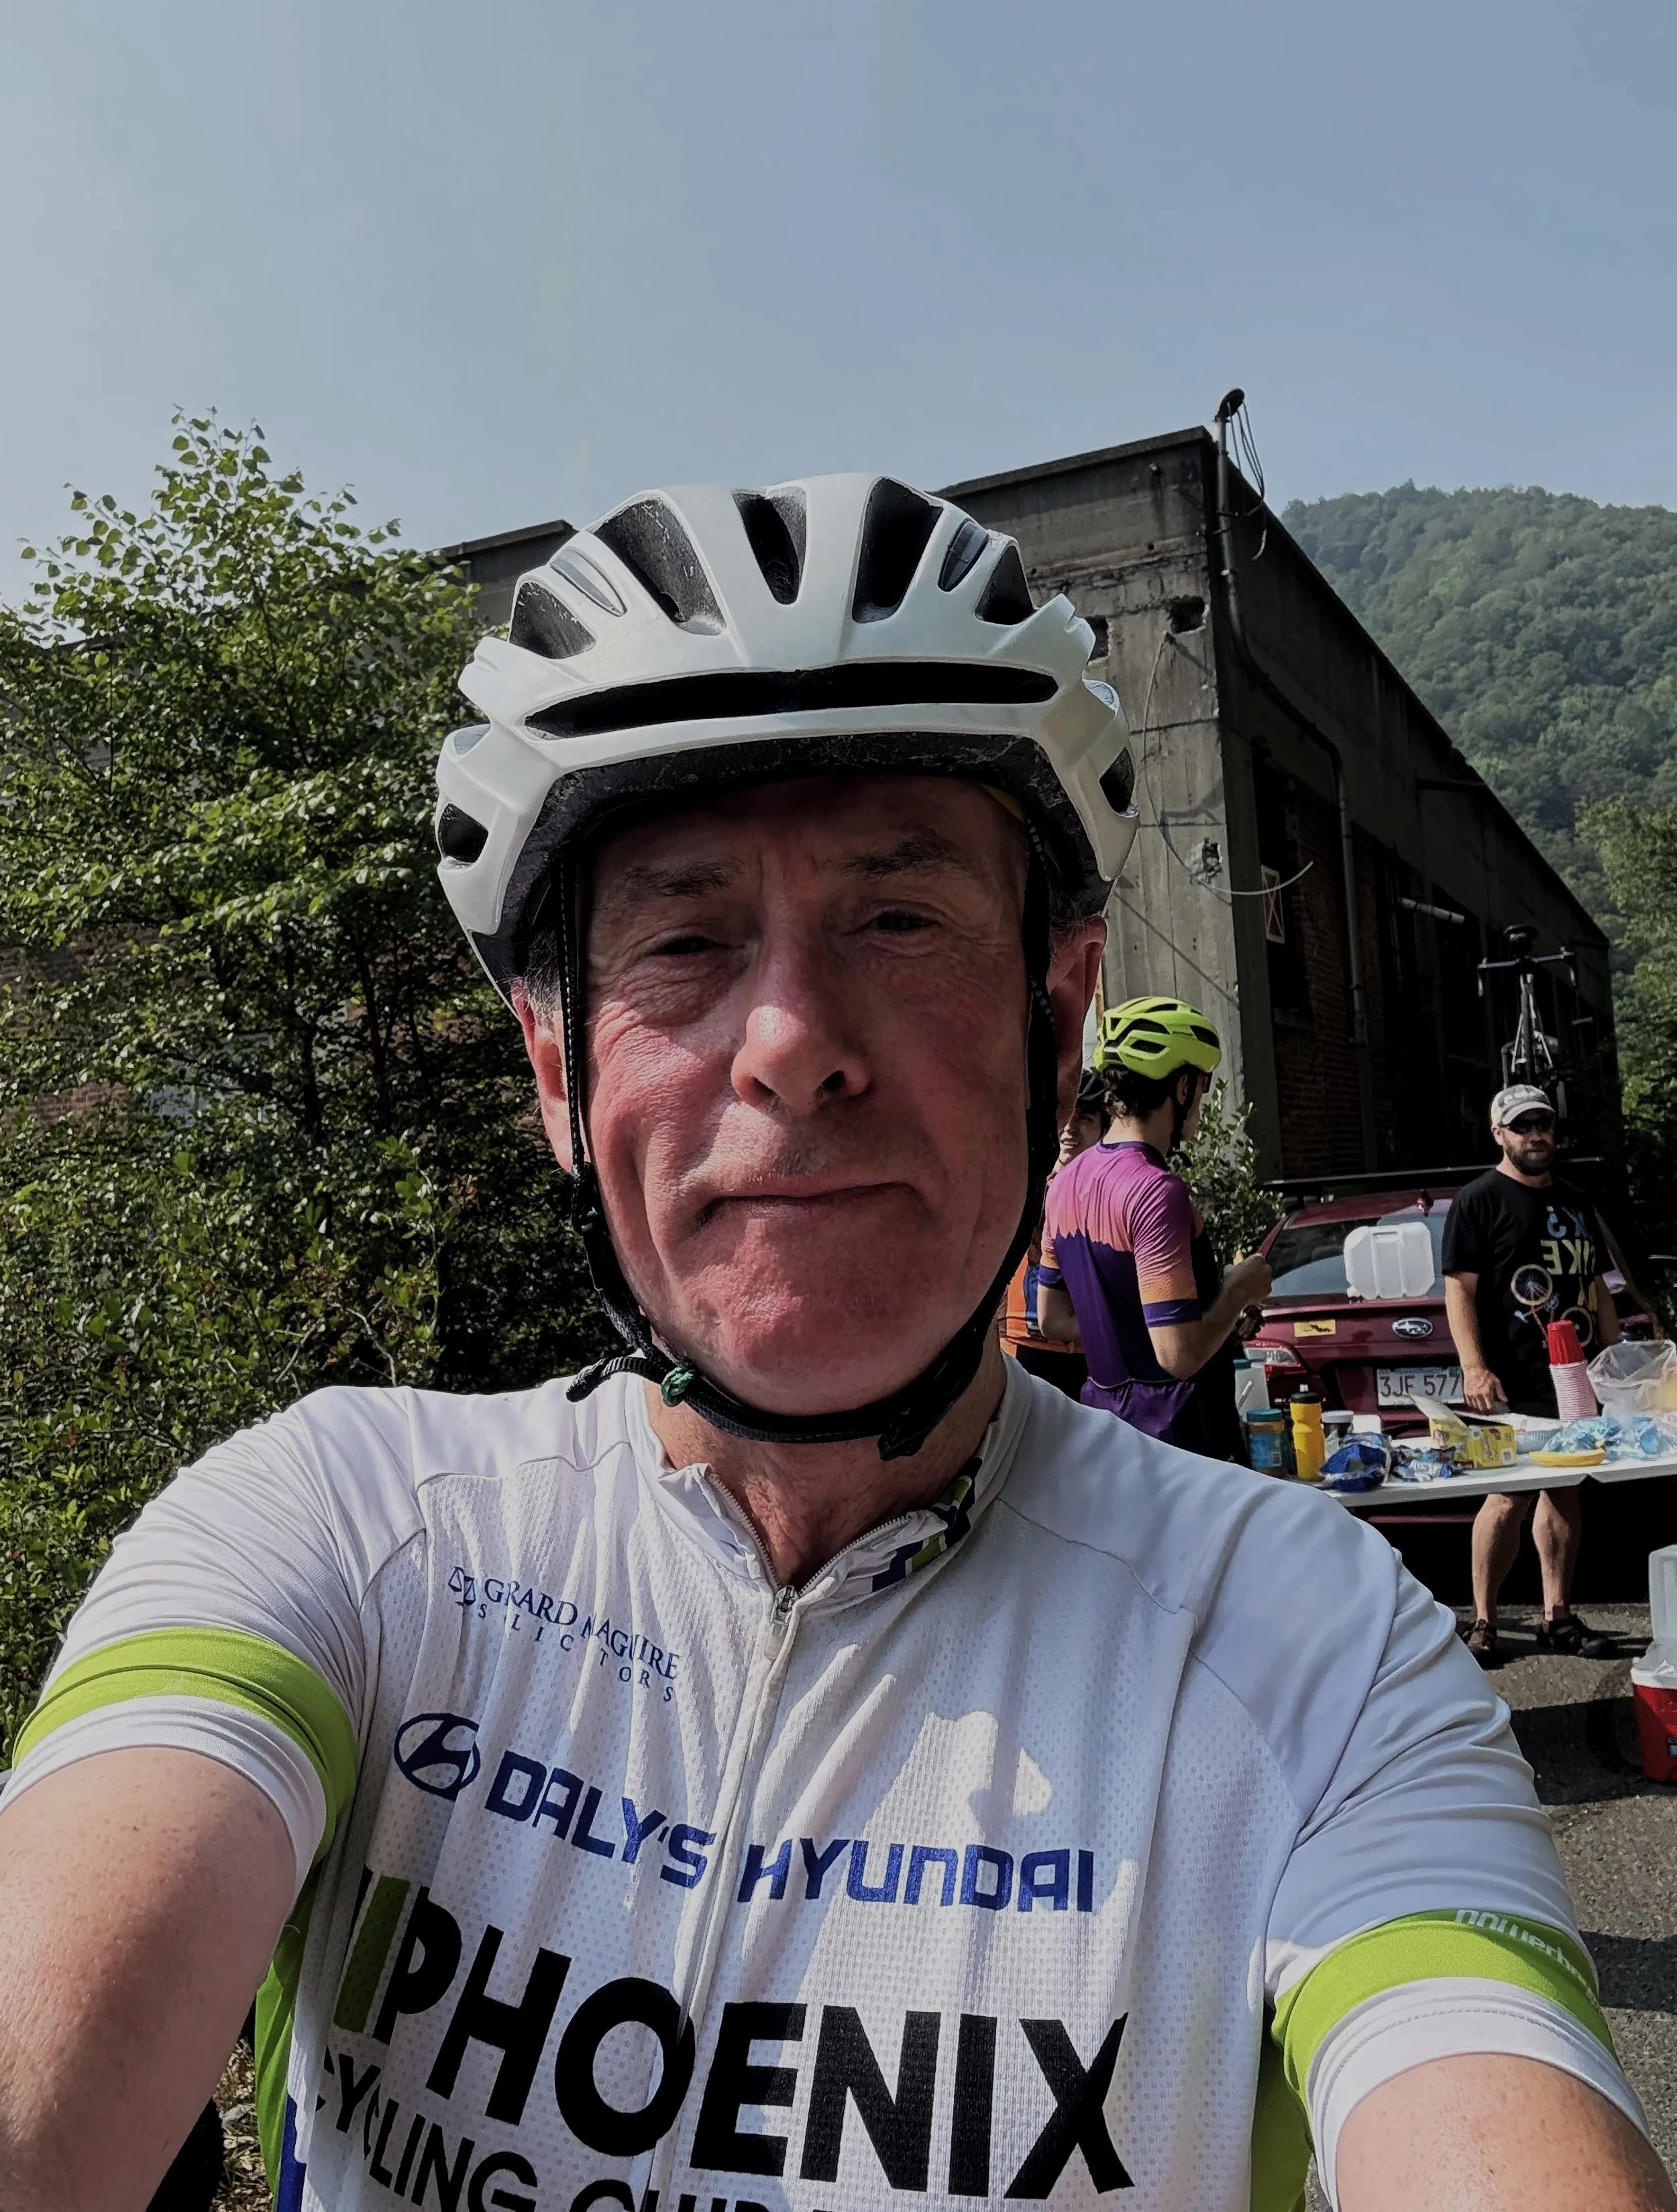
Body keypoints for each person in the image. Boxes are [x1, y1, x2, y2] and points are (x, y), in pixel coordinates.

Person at [0, 476, 1664, 2212]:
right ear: (558, 1076)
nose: (790, 1043)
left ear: (1058, 1008)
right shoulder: (349, 1528)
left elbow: (1494, 2121)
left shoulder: (1313, 1655)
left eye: (897, 917)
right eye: (683, 938)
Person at [1035, 995, 1273, 1459]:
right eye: (1202, 1086)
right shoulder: (1157, 1192)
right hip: (1181, 1447)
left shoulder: (1063, 1185)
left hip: (1109, 1436)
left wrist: (1192, 1316)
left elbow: (1053, 1320)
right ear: (1182, 1088)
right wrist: (1240, 1289)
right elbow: (1179, 1357)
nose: (1202, 1101)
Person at [1443, 1083, 1621, 1665]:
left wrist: (1616, 1365)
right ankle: (1485, 1622)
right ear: (1499, 1134)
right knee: (1507, 1497)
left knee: (1565, 1492)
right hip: (1508, 1380)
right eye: (1523, 1126)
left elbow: (1595, 1286)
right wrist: (1474, 1366)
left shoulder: (1574, 1199)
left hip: (1573, 1381)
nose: (1536, 1134)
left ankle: (1557, 1617)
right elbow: (1459, 1291)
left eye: (1543, 1123)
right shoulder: (1479, 1200)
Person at [999, 1068, 1108, 1398]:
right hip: (1022, 1341)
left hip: (1092, 1351)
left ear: (1104, 1128)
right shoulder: (1023, 1183)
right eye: (1066, 1117)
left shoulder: (1113, 1192)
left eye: (1085, 1119)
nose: (1071, 1130)